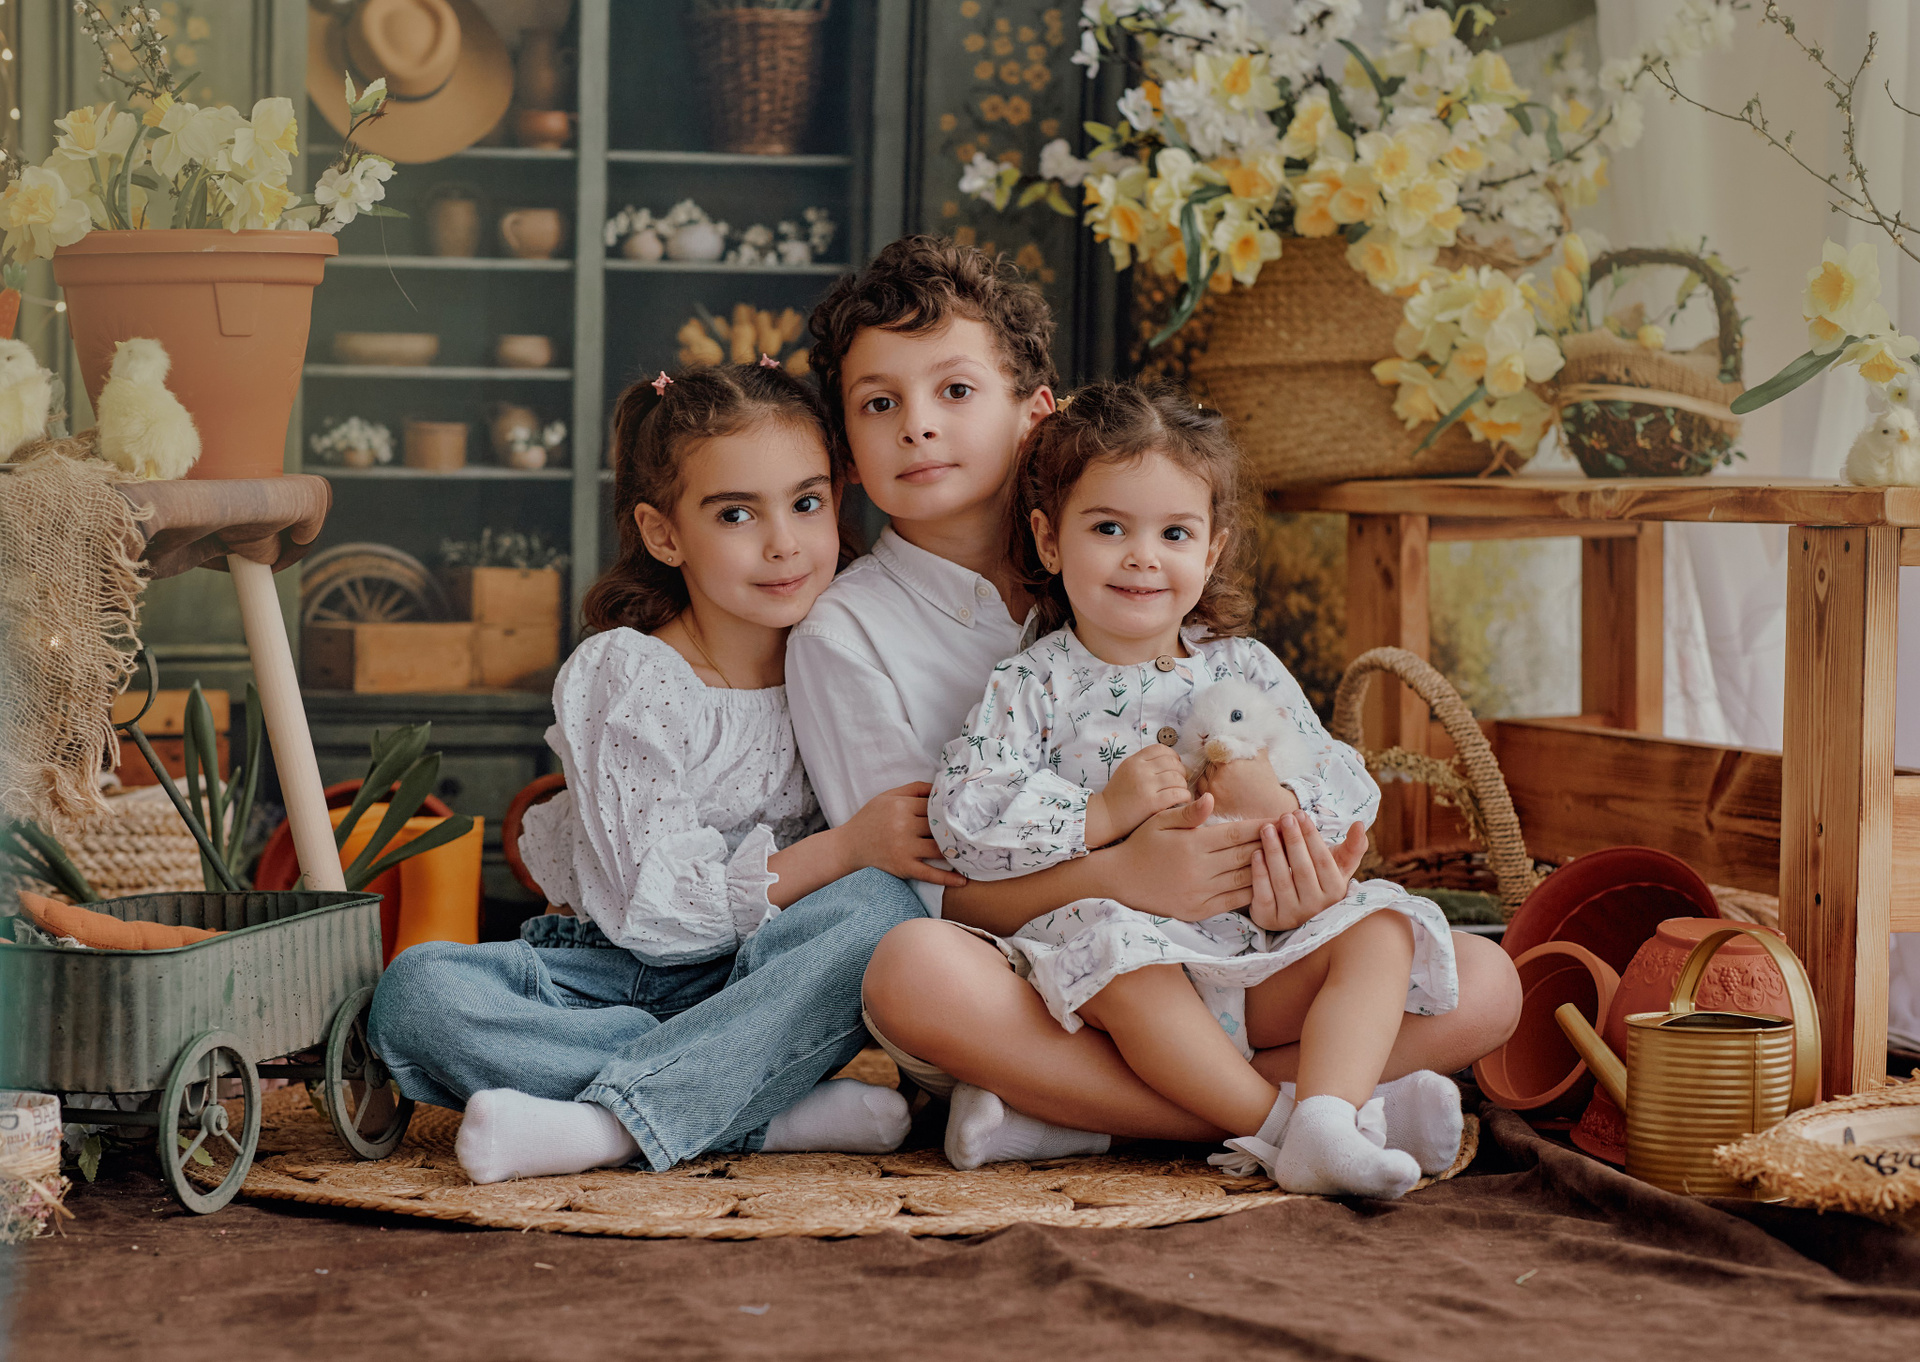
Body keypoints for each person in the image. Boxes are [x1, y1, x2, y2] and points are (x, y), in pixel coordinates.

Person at [787, 236, 1521, 1174]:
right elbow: (923, 887)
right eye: (879, 403)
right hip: (1030, 978)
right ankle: (1291, 1121)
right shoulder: (846, 635)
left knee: (1485, 980)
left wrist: (1306, 870)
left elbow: (1301, 780)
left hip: (1235, 951)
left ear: (1034, 417)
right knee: (910, 969)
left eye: (955, 390)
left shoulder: (1156, 592)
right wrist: (1126, 877)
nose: (918, 427)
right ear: (846, 449)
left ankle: (1087, 1121)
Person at [368, 362, 955, 1183]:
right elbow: (655, 912)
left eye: (807, 502)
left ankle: (607, 1123)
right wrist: (847, 847)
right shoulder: (630, 677)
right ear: (663, 533)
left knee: (882, 917)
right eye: (736, 513)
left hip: (770, 988)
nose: (783, 543)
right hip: (603, 979)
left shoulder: (847, 652)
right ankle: (755, 1111)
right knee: (417, 995)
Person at [929, 381, 1459, 1196]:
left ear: (1211, 551)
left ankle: (1323, 1115)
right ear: (1049, 539)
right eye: (1109, 528)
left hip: (1261, 952)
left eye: (1174, 532)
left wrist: (1294, 839)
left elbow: (1336, 783)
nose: (1143, 556)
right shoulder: (1032, 684)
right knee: (1120, 958)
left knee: (1388, 929)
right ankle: (1298, 1132)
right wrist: (1101, 812)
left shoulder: (1244, 666)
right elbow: (967, 815)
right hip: (1126, 973)